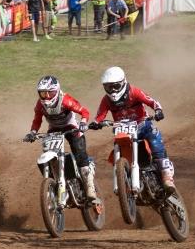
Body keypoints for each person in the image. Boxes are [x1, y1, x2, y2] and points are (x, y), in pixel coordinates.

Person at [89, 66, 175, 191]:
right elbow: (100, 115)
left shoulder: (134, 92)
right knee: (116, 149)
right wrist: (96, 123)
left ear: (123, 82)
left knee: (155, 141)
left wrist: (158, 110)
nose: (113, 90)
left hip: (143, 125)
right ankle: (123, 179)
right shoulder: (106, 100)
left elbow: (152, 101)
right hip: (123, 130)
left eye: (115, 86)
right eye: (109, 87)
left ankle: (167, 176)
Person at [25, 75, 100, 203]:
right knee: (49, 155)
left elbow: (84, 111)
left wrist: (83, 122)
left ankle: (90, 187)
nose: (46, 97)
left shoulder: (65, 100)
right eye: (43, 93)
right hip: (54, 129)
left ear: (57, 91)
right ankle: (57, 183)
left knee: (80, 156)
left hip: (71, 128)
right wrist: (32, 132)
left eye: (50, 93)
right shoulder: (40, 105)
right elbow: (37, 120)